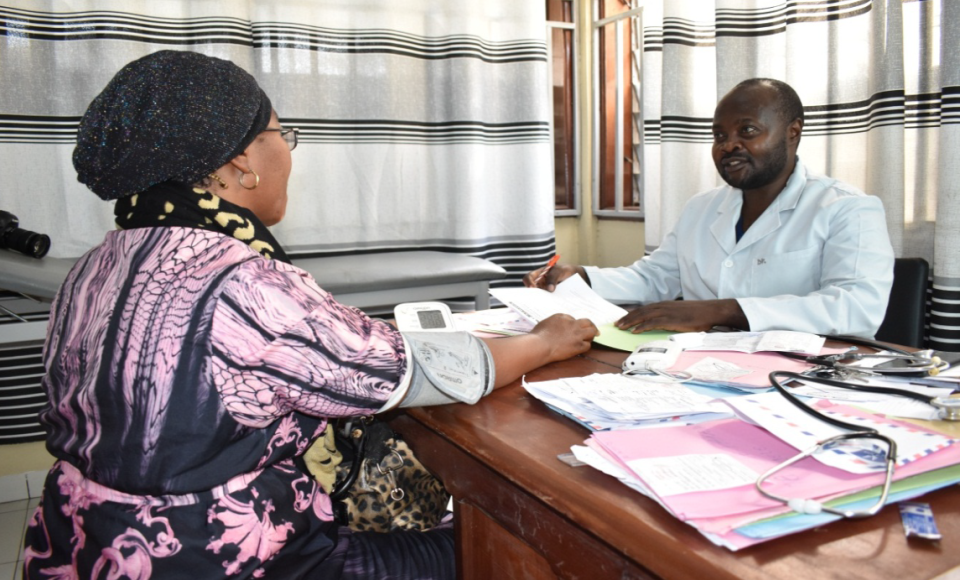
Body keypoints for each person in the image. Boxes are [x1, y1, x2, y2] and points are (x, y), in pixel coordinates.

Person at [22, 50, 598, 580]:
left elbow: (289, 350)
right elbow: (416, 372)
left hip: (81, 541)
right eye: (281, 134)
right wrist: (546, 340)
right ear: (243, 161)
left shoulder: (98, 264)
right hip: (216, 558)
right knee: (505, 549)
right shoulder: (238, 277)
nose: (287, 153)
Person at [525, 78, 894, 338]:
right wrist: (585, 277)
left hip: (799, 377)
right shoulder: (702, 208)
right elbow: (656, 278)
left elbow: (856, 308)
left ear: (792, 132)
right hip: (698, 365)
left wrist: (724, 310)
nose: (728, 146)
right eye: (719, 135)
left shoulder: (847, 209)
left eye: (747, 131)